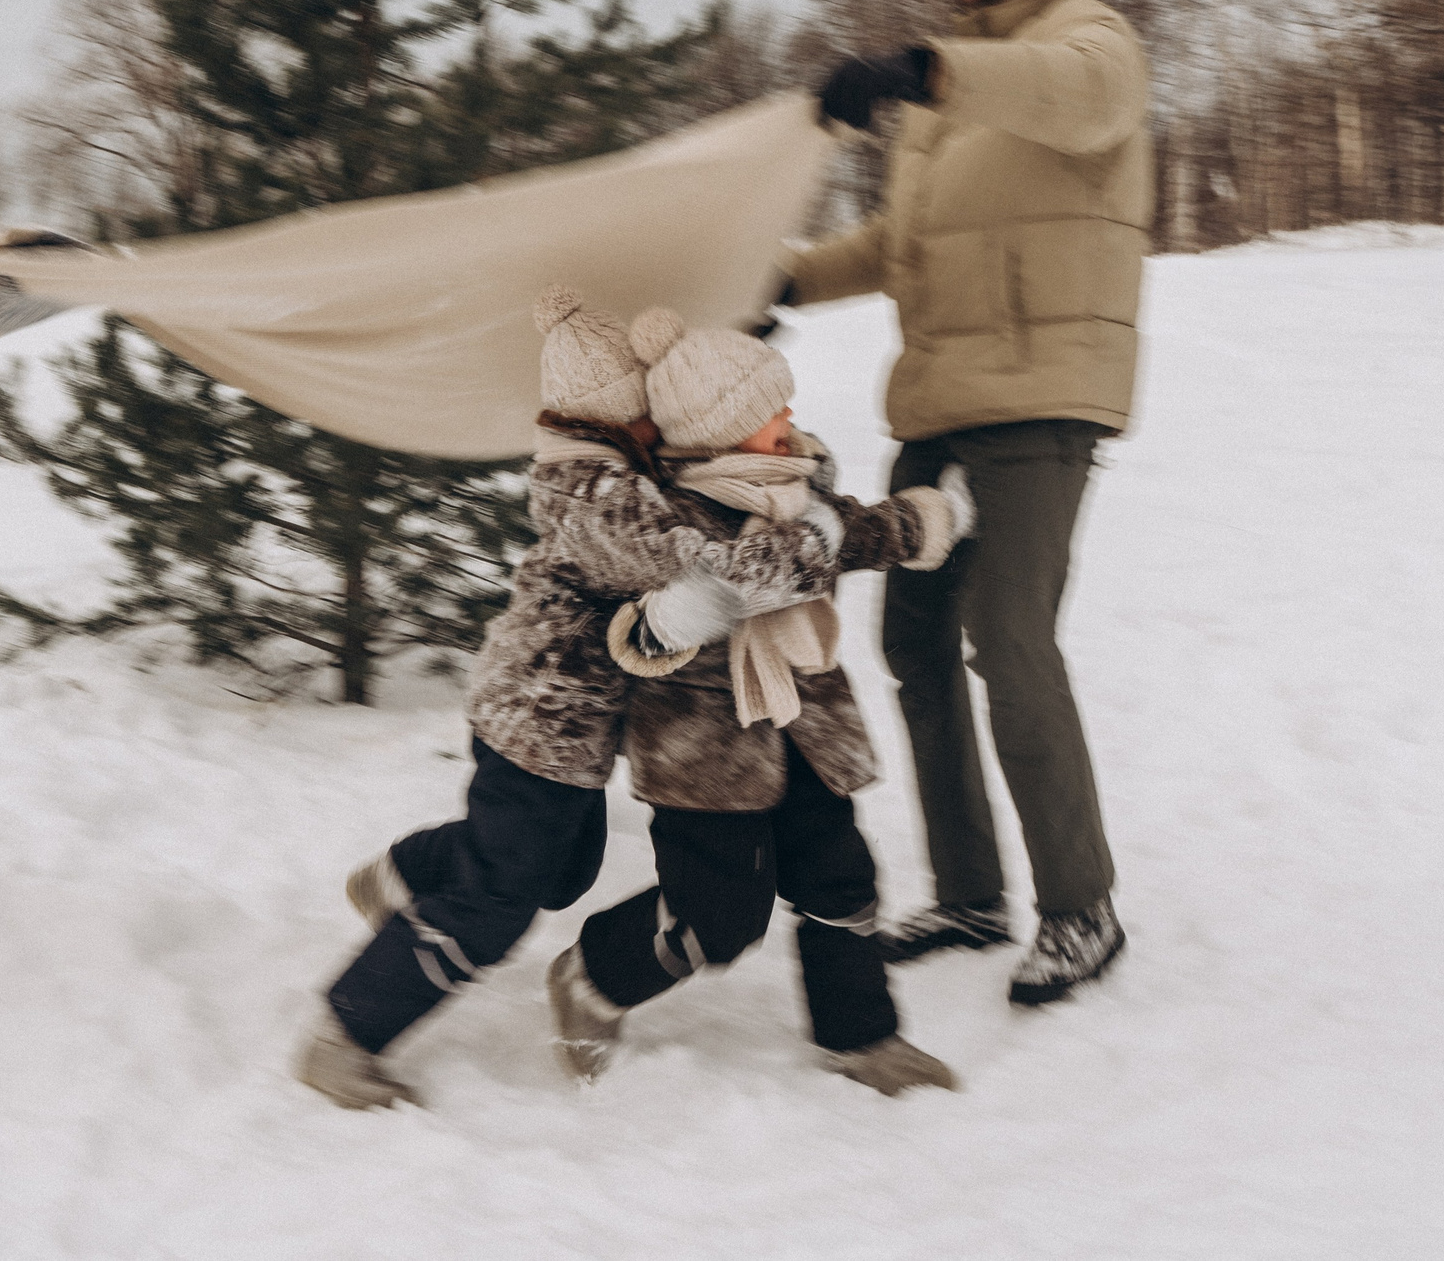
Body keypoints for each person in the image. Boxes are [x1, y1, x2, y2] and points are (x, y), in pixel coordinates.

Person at [297, 287, 956, 1108]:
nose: (654, 426)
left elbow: (808, 537)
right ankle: (349, 1029)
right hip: (547, 719)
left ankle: (862, 1034)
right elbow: (722, 576)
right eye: (644, 417)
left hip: (726, 718)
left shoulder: (749, 481)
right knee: (505, 889)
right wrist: (823, 535)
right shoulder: (605, 506)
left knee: (572, 868)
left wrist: (907, 525)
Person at [790, 0, 1151, 1007]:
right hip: (941, 403)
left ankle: (1080, 905)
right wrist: (782, 279)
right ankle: (967, 891)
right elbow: (898, 246)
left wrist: (923, 68)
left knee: (1012, 638)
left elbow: (1066, 93)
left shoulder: (1090, 44)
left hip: (1041, 398)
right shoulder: (946, 109)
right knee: (913, 640)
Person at [537, 309, 964, 1097]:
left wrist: (926, 520)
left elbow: (854, 533)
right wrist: (821, 539)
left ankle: (862, 1034)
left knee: (842, 878)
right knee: (719, 915)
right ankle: (593, 975)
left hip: (802, 730)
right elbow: (740, 578)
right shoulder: (673, 522)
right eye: (773, 411)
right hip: (707, 757)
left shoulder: (796, 495)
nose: (790, 420)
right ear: (721, 431)